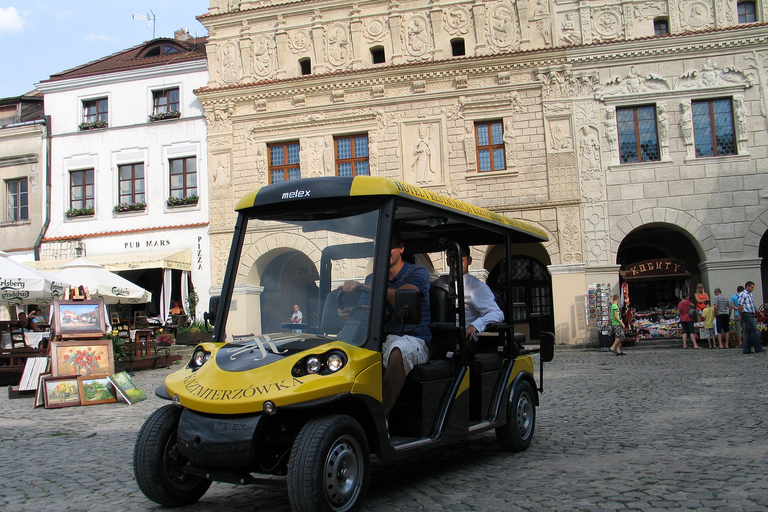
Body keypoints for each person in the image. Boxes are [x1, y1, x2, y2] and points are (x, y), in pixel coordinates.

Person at [340, 232, 431, 421]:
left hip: (414, 338)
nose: (384, 251)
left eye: (389, 246)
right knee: (340, 354)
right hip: (378, 338)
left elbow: (403, 298)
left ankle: (380, 421)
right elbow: (367, 309)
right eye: (379, 246)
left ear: (401, 249)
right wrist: (351, 312)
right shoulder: (372, 278)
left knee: (399, 351)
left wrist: (365, 287)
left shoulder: (417, 273)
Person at [433, 244, 504, 342]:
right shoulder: (439, 283)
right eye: (452, 260)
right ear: (447, 261)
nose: (455, 265)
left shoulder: (477, 287)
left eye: (460, 260)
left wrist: (475, 325)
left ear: (469, 261)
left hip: (463, 339)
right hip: (438, 336)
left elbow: (497, 313)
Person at [738, 281, 763, 354]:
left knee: (748, 332)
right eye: (752, 287)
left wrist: (758, 312)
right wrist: (740, 315)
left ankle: (746, 349)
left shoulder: (750, 295)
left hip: (751, 313)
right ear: (747, 287)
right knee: (755, 330)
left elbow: (752, 304)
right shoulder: (743, 294)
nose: (753, 289)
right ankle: (758, 348)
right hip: (746, 313)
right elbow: (740, 306)